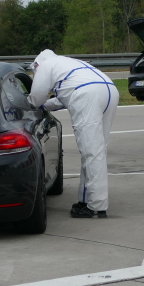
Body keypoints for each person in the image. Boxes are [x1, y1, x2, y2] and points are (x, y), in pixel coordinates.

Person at [28, 49, 119, 219]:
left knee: (91, 152)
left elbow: (36, 96)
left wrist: (29, 104)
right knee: (97, 151)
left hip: (87, 95)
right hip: (109, 90)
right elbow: (62, 98)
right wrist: (44, 105)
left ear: (37, 65)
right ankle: (86, 200)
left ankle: (96, 207)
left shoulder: (45, 66)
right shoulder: (68, 63)